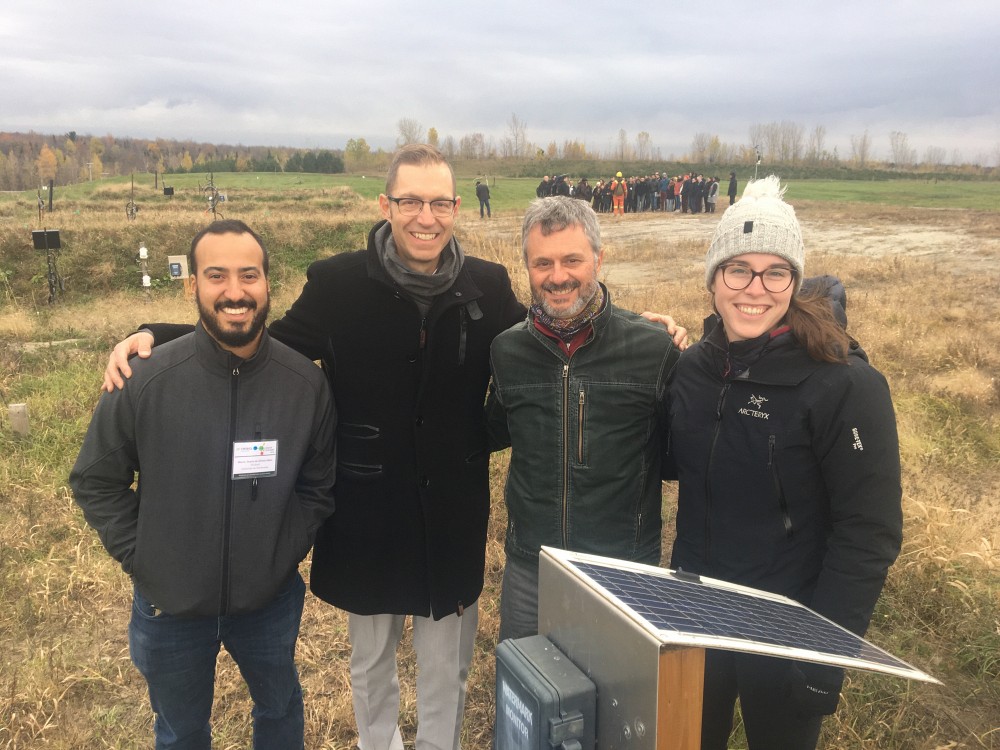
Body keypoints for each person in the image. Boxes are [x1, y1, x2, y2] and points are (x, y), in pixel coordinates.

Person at [102, 145, 527, 750]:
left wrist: (642, 325)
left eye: (438, 203)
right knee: (371, 658)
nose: (424, 217)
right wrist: (156, 335)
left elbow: (537, 342)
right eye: (410, 202)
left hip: (453, 512)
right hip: (368, 508)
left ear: (457, 208)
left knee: (446, 665)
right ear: (386, 205)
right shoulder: (339, 283)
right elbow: (263, 341)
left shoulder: (487, 283)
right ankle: (377, 744)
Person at [71, 219, 337, 749]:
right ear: (192, 284)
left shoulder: (305, 385)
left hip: (269, 601)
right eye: (216, 275)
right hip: (168, 608)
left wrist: (279, 555)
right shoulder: (145, 380)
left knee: (281, 711)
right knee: (180, 731)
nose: (235, 292)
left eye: (249, 275)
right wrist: (146, 557)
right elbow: (96, 480)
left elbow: (317, 487)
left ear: (267, 284)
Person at [664, 176, 903, 750]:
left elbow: (867, 535)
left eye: (777, 272)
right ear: (713, 279)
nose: (756, 287)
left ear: (794, 283)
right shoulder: (694, 368)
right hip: (695, 612)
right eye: (737, 269)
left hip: (789, 628)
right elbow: (672, 464)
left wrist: (824, 657)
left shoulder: (845, 386)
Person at [485, 196, 682, 642]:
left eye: (572, 260)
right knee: (530, 697)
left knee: (621, 706)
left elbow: (680, 455)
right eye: (543, 263)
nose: (558, 277)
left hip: (623, 569)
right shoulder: (506, 352)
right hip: (531, 568)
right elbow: (491, 431)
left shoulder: (655, 349)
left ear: (598, 257)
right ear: (527, 266)